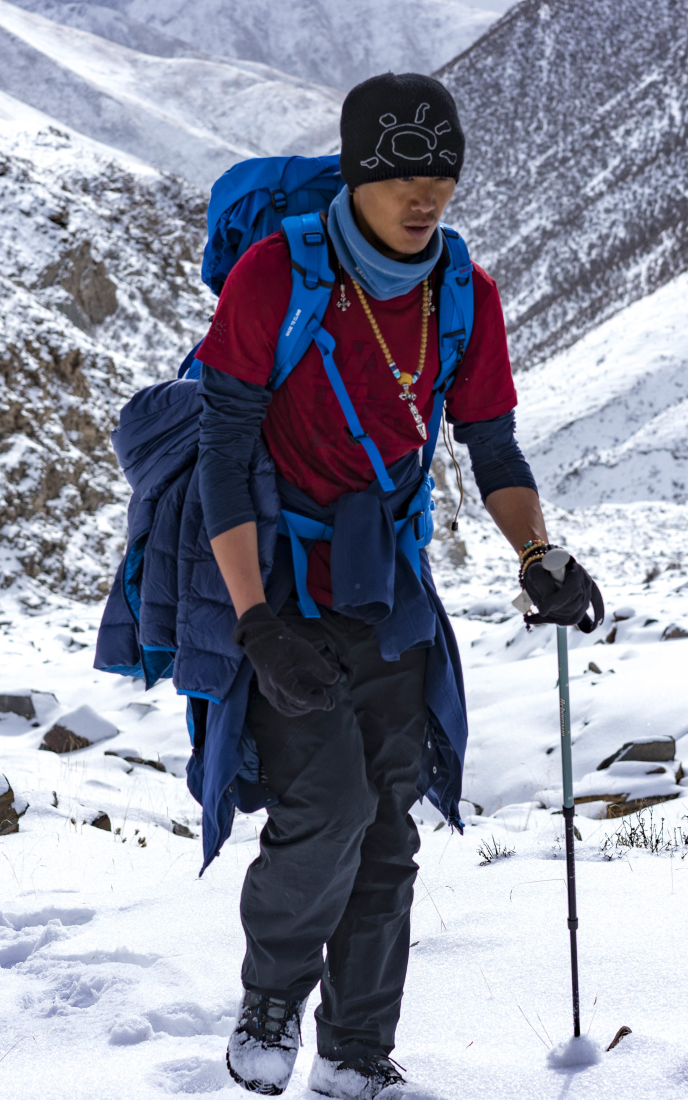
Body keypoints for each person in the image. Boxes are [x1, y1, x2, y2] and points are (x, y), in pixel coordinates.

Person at [194, 74, 602, 1100]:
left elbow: (491, 443)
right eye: (401, 175)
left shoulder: (459, 292)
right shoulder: (274, 277)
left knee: (386, 824)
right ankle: (272, 1003)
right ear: (357, 173)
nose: (425, 196)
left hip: (389, 590)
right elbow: (223, 451)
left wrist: (535, 553)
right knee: (322, 805)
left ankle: (356, 1054)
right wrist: (252, 623)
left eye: (442, 174)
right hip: (285, 579)